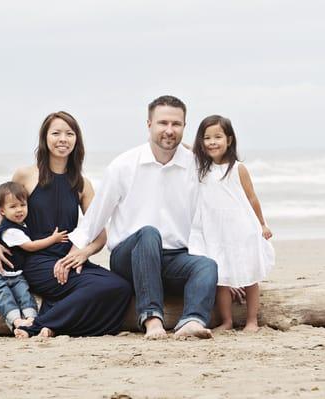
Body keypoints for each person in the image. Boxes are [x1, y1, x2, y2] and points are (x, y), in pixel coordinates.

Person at [60, 95, 218, 339]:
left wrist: (230, 276)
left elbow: (209, 221)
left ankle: (192, 321)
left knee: (207, 265)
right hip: (130, 257)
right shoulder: (123, 165)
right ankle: (152, 319)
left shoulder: (196, 166)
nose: (169, 130)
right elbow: (96, 215)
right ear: (149, 125)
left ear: (185, 127)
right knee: (148, 234)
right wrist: (78, 251)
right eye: (162, 123)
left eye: (176, 124)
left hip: (174, 258)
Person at [0, 111, 132, 338]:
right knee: (95, 287)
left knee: (121, 287)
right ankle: (35, 326)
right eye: (56, 133)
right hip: (36, 262)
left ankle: (54, 324)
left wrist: (83, 254)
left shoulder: (83, 184)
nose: (63, 139)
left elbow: (100, 233)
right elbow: (5, 214)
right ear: (45, 138)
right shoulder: (26, 175)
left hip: (68, 259)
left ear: (77, 140)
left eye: (69, 133)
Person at [188, 115, 275, 332]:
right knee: (221, 278)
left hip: (242, 229)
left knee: (250, 274)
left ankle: (252, 321)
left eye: (218, 136)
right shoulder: (201, 167)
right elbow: (186, 148)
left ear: (229, 139)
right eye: (206, 138)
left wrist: (262, 224)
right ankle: (226, 321)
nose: (212, 142)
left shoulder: (238, 168)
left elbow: (252, 198)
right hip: (215, 231)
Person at [0, 181, 69, 332]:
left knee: (25, 294)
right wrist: (53, 239)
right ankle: (16, 321)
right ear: (2, 211)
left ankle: (31, 319)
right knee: (4, 297)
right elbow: (31, 246)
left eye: (22, 205)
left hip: (16, 273)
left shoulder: (21, 225)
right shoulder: (10, 230)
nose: (19, 210)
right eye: (13, 207)